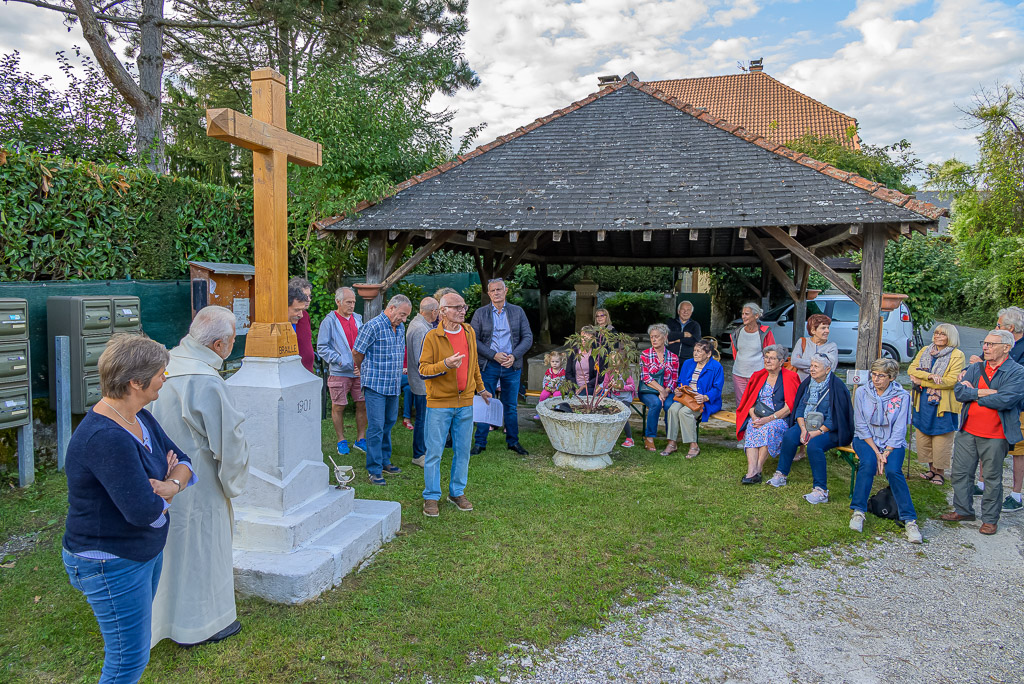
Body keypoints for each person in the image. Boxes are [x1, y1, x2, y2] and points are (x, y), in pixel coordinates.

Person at [62, 334, 195, 682]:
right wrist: (165, 495)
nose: (164, 378)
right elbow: (143, 512)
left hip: (139, 553)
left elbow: (183, 460)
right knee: (127, 661)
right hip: (110, 561)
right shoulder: (106, 438)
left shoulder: (139, 417)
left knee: (132, 653)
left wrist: (169, 485)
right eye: (160, 373)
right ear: (136, 382)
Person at [150, 306, 249, 647]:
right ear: (220, 344)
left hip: (162, 474)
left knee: (172, 547)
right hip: (198, 478)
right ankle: (201, 625)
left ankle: (164, 622)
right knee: (202, 549)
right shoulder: (205, 380)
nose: (233, 344)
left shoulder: (167, 364)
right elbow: (228, 440)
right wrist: (232, 481)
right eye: (233, 339)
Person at [941, 329, 1024, 534]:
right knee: (960, 473)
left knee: (992, 478)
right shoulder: (976, 367)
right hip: (968, 431)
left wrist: (974, 394)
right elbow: (960, 392)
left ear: (1006, 348)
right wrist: (984, 392)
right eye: (985, 343)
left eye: (991, 344)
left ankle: (990, 519)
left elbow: (1006, 399)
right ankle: (963, 510)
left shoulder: (1017, 372)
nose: (985, 347)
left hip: (996, 435)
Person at [418, 292, 492, 516]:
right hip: (439, 403)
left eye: (464, 306)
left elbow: (474, 365)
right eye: (457, 307)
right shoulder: (432, 337)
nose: (463, 310)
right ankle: (431, 496)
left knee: (462, 451)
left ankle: (456, 492)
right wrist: (445, 364)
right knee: (434, 452)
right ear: (442, 311)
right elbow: (423, 370)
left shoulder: (469, 331)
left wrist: (481, 388)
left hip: (466, 402)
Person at [849, 358, 922, 543]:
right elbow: (860, 424)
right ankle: (858, 511)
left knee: (893, 471)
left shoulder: (903, 396)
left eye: (881, 376)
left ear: (891, 377)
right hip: (866, 439)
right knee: (868, 464)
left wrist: (887, 451)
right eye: (874, 374)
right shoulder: (862, 392)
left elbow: (900, 429)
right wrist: (876, 452)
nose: (876, 379)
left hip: (891, 442)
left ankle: (909, 519)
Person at [768, 353, 854, 504]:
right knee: (789, 436)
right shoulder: (808, 383)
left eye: (816, 367)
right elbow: (800, 408)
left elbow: (834, 418)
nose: (812, 370)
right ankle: (781, 475)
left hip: (831, 430)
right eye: (811, 366)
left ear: (827, 370)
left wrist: (816, 433)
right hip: (806, 425)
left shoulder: (837, 387)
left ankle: (821, 490)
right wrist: (802, 429)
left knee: (814, 446)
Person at [352, 294, 413, 485]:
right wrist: (364, 370)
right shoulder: (372, 326)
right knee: (376, 427)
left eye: (406, 316)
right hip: (376, 385)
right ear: (391, 308)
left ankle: (385, 461)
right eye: (402, 314)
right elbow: (356, 352)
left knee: (388, 424)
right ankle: (374, 468)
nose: (404, 319)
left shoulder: (400, 327)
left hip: (393, 385)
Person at [967, 308, 1024, 507]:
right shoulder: (993, 343)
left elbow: (1011, 382)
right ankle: (982, 484)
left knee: (1018, 451)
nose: (995, 327)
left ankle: (1016, 495)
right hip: (990, 405)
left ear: (1010, 328)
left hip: (1018, 408)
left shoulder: (1021, 348)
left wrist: (979, 392)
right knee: (986, 442)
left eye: (998, 325)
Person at [470, 278, 533, 456]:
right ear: (488, 294)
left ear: (505, 291)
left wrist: (514, 356)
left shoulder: (517, 312)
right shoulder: (480, 313)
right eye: (492, 291)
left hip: (511, 365)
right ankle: (480, 443)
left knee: (511, 405)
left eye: (499, 289)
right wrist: (493, 355)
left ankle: (513, 442)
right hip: (489, 364)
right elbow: (473, 340)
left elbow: (527, 337)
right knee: (484, 402)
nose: (496, 293)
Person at [908, 324, 964, 486]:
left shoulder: (956, 355)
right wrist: (930, 376)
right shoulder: (925, 350)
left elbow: (951, 381)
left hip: (942, 404)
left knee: (941, 438)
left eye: (942, 334)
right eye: (936, 333)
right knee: (924, 436)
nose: (937, 336)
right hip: (923, 402)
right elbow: (912, 369)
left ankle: (940, 472)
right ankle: (931, 469)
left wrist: (922, 381)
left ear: (950, 337)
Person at [737, 344, 800, 483]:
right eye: (766, 357)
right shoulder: (758, 376)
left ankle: (757, 470)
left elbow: (790, 406)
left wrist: (769, 419)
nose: (767, 361)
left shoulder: (790, 377)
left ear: (781, 361)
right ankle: (751, 470)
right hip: (758, 416)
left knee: (768, 429)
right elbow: (749, 402)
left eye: (772, 358)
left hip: (781, 418)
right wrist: (754, 417)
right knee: (752, 427)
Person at [316, 287, 367, 456]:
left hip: (359, 371)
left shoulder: (358, 319)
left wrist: (362, 362)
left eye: (353, 302)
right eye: (348, 302)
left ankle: (361, 439)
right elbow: (322, 348)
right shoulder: (329, 321)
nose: (352, 305)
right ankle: (341, 440)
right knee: (338, 406)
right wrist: (341, 361)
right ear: (338, 302)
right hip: (339, 372)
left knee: (362, 404)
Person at [663, 338, 723, 458]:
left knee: (684, 412)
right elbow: (680, 381)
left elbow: (717, 389)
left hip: (704, 401)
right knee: (673, 409)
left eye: (699, 351)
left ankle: (694, 446)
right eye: (695, 350)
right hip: (686, 397)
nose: (695, 353)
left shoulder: (716, 366)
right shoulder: (688, 363)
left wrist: (705, 397)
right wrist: (678, 390)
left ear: (708, 354)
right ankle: (672, 443)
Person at [406, 297, 439, 467]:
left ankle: (424, 450)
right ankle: (419, 454)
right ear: (433, 312)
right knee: (422, 419)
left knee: (424, 418)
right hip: (422, 382)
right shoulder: (420, 329)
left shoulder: (419, 324)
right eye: (438, 311)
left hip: (421, 381)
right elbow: (422, 360)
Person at [638, 323, 679, 451]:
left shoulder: (673, 357)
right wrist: (661, 390)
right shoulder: (645, 355)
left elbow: (674, 379)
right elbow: (645, 377)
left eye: (657, 336)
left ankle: (671, 440)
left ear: (665, 337)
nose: (654, 340)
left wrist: (666, 391)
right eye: (651, 337)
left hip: (668, 390)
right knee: (655, 403)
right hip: (648, 390)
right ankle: (649, 438)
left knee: (669, 406)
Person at [729, 302, 775, 402]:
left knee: (756, 403)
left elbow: (771, 354)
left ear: (756, 315)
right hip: (738, 374)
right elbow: (735, 352)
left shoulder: (764, 332)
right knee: (741, 404)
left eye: (747, 314)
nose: (743, 317)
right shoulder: (738, 331)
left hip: (758, 375)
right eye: (742, 314)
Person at [601, 349, 637, 448]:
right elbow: (605, 385)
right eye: (611, 360)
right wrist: (609, 386)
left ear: (621, 361)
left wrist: (621, 387)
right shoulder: (609, 372)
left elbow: (632, 386)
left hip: (625, 398)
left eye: (616, 360)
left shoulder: (625, 372)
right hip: (614, 397)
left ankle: (629, 438)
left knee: (622, 414)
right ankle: (611, 437)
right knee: (610, 413)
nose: (613, 362)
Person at [789, 313, 839, 381]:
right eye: (823, 328)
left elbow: (831, 368)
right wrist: (819, 366)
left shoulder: (832, 346)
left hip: (820, 386)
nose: (827, 331)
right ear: (813, 330)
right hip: (801, 384)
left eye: (828, 327)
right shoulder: (802, 341)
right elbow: (794, 362)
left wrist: (803, 366)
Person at [289, 277, 316, 373]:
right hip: (296, 372)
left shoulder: (305, 315)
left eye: (309, 296)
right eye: (305, 296)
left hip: (308, 371)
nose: (308, 300)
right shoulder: (289, 319)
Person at [567, 326, 601, 396]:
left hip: (589, 386)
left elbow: (599, 377)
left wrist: (584, 386)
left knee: (581, 396)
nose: (583, 341)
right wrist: (575, 386)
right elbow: (568, 373)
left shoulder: (596, 354)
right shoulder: (574, 352)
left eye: (587, 338)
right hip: (574, 385)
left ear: (593, 339)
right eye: (582, 338)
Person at [534, 350, 566, 420]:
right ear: (550, 362)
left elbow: (562, 382)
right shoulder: (549, 371)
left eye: (557, 362)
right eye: (553, 362)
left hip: (557, 388)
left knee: (557, 396)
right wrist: (545, 387)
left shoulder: (562, 371)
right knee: (543, 395)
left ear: (561, 362)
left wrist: (557, 388)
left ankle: (556, 412)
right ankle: (540, 412)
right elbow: (545, 380)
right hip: (548, 388)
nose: (555, 363)